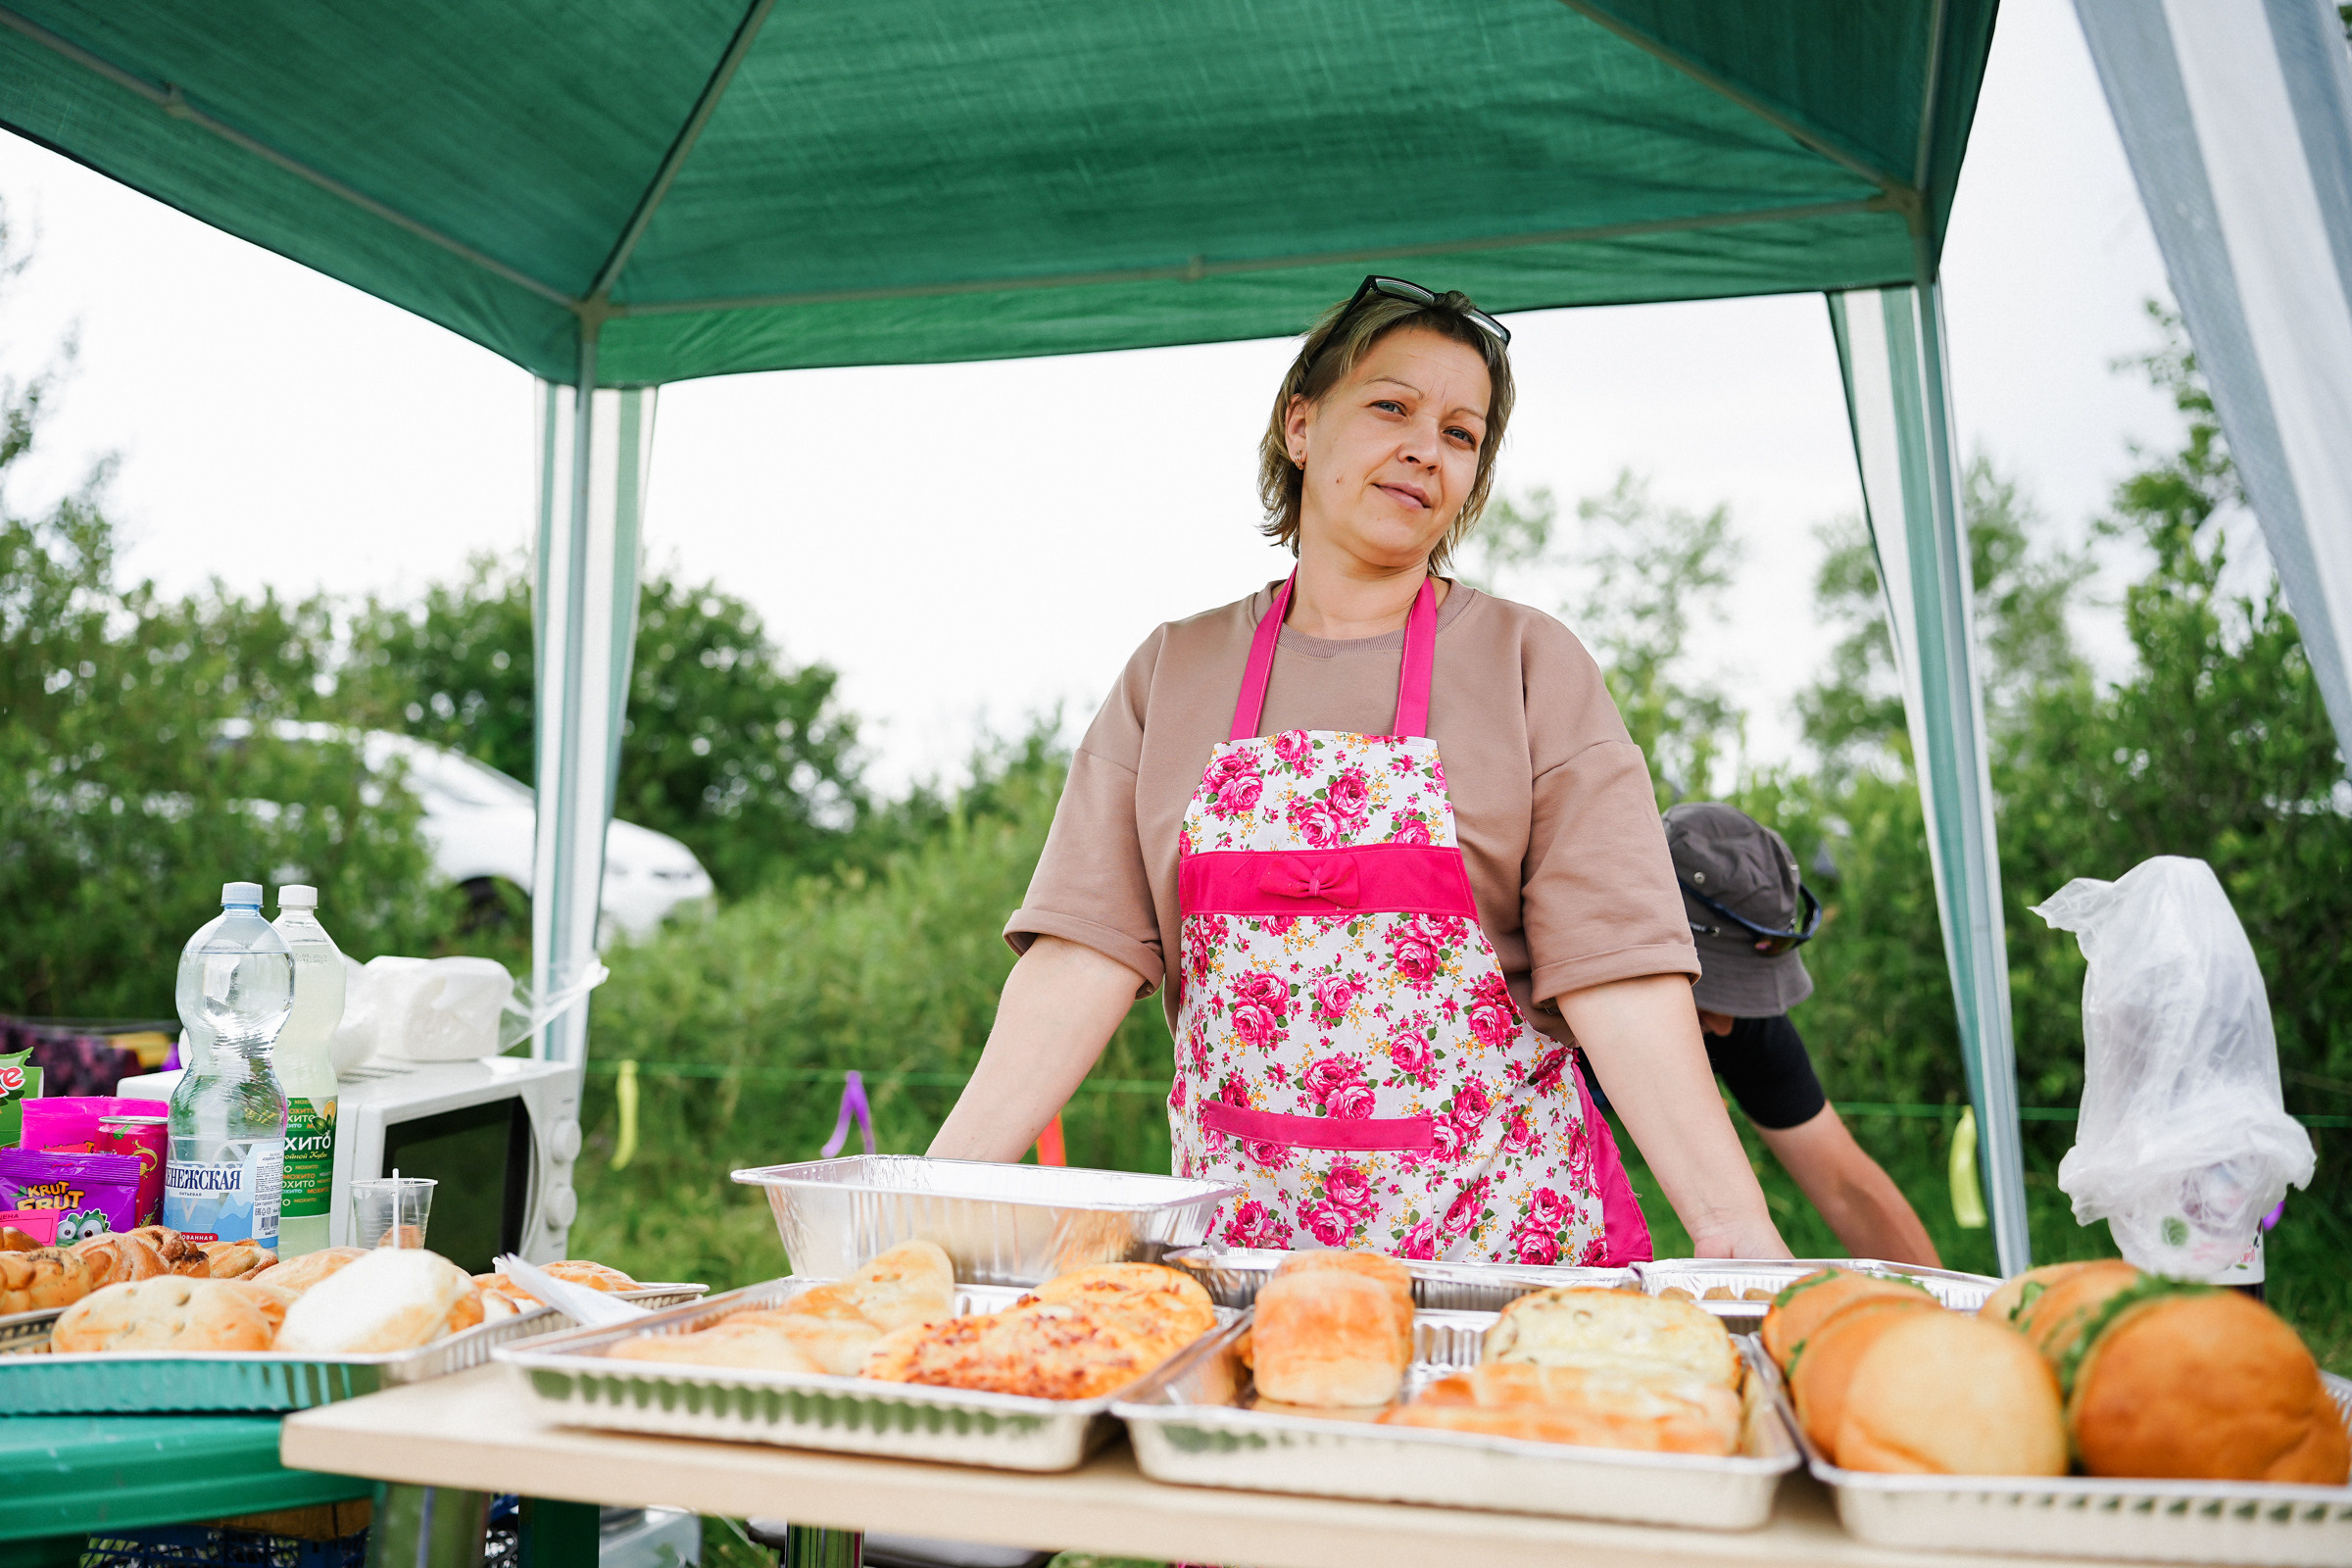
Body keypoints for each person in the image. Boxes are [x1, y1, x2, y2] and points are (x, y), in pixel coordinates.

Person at [929, 275, 1788, 1265]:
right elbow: (1080, 959)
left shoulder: (1528, 663)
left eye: (1462, 434)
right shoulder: (1175, 670)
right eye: (1392, 406)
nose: (1427, 446)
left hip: (1500, 1270)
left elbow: (1620, 969)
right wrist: (925, 1206)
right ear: (1301, 424)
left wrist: (1736, 1232)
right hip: (1240, 1274)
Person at [1661, 802, 1941, 1266]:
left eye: (1744, 991)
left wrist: (1942, 1316)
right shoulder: (1527, 994)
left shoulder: (1738, 1022)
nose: (1727, 1023)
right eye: (1714, 986)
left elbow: (1848, 1191)